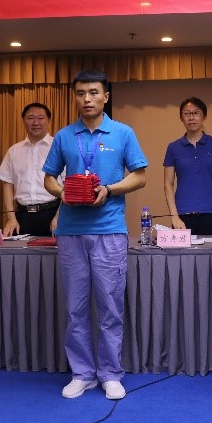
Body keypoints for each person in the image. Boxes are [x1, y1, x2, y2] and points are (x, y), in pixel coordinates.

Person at [42, 69, 147, 401]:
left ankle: (111, 374)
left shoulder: (123, 133)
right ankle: (82, 374)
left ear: (106, 97)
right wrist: (62, 192)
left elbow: (140, 176)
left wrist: (110, 189)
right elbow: (48, 178)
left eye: (93, 93)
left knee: (110, 307)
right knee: (75, 308)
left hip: (109, 231)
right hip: (71, 232)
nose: (86, 99)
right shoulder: (63, 136)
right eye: (80, 93)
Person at [163, 97, 212, 235]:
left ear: (204, 116)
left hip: (211, 212)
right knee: (182, 250)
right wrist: (174, 216)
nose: (191, 117)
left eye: (196, 113)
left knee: (211, 249)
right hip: (182, 214)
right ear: (181, 117)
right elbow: (168, 184)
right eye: (187, 113)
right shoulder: (173, 147)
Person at [0, 102, 61, 237]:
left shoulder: (59, 147)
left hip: (53, 215)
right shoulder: (14, 151)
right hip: (22, 216)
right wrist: (11, 218)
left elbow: (69, 185)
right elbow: (7, 184)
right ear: (23, 121)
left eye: (40, 118)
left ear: (49, 121)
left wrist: (60, 216)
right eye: (30, 118)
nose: (35, 122)